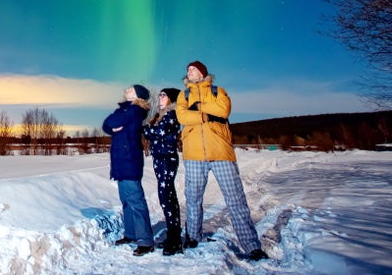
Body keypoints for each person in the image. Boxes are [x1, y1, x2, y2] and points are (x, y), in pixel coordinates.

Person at [176, 61, 268, 261]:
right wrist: (208, 114)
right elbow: (182, 116)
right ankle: (193, 237)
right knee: (193, 198)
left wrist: (198, 107)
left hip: (220, 151)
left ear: (202, 72)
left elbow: (224, 110)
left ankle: (252, 246)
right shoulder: (183, 95)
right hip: (193, 154)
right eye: (188, 70)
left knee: (235, 199)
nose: (189, 72)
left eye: (193, 69)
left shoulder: (218, 91)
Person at [102, 84, 155, 256]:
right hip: (120, 161)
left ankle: (145, 241)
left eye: (131, 89)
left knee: (136, 201)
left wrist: (113, 125)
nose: (127, 90)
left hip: (130, 160)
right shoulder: (125, 110)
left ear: (138, 95)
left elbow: (112, 122)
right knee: (126, 200)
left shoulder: (135, 110)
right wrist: (112, 127)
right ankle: (131, 234)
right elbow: (106, 124)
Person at [142, 87, 183, 255]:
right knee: (167, 195)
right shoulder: (159, 116)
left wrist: (144, 129)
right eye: (160, 94)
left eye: (164, 95)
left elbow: (157, 133)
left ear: (171, 99)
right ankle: (173, 234)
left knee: (166, 195)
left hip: (167, 158)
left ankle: (175, 239)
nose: (160, 97)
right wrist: (149, 130)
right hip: (159, 158)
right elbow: (153, 133)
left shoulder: (171, 115)